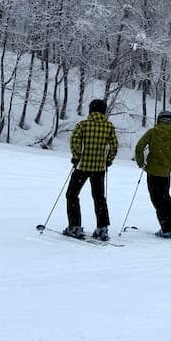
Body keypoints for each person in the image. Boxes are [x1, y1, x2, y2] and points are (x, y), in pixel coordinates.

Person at [64, 98, 118, 241]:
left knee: (72, 194)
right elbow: (114, 146)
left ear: (90, 110)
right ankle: (102, 228)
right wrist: (108, 160)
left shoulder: (83, 125)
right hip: (99, 169)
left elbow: (74, 140)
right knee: (99, 198)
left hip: (82, 166)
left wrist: (76, 156)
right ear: (103, 111)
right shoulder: (109, 126)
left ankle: (74, 226)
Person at [134, 109, 171, 237]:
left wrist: (141, 163)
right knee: (166, 199)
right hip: (165, 173)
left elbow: (139, 147)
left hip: (152, 171)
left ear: (159, 119)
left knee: (157, 201)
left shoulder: (153, 132)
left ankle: (166, 228)